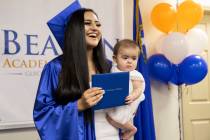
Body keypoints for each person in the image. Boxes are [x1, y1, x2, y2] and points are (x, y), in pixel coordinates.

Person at [33, 8, 111, 140]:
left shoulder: (109, 66)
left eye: (98, 24)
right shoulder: (56, 68)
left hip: (109, 134)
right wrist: (78, 105)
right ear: (74, 30)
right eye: (87, 23)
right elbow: (43, 115)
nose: (95, 28)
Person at [105, 39, 145, 140]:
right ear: (115, 59)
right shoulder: (114, 69)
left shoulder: (134, 74)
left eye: (134, 58)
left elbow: (138, 89)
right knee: (110, 118)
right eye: (125, 57)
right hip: (117, 103)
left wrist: (132, 96)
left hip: (128, 103)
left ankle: (132, 129)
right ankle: (127, 129)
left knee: (117, 119)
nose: (130, 61)